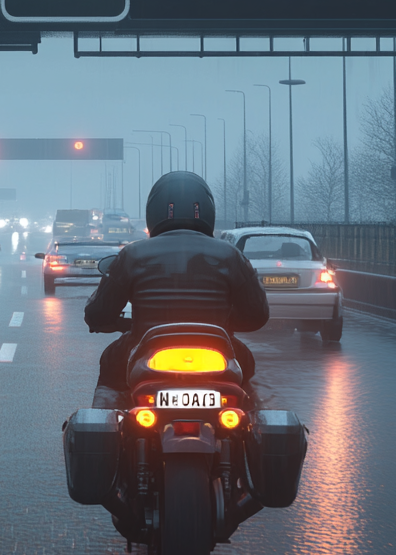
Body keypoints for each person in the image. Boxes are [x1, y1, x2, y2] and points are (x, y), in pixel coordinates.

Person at [83, 172, 268, 409]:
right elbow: (257, 315)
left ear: (154, 210)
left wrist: (111, 322)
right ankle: (252, 421)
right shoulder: (231, 255)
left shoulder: (132, 254)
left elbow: (98, 314)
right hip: (218, 350)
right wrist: (227, 324)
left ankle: (104, 432)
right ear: (207, 210)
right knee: (245, 372)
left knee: (111, 365)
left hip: (145, 350)